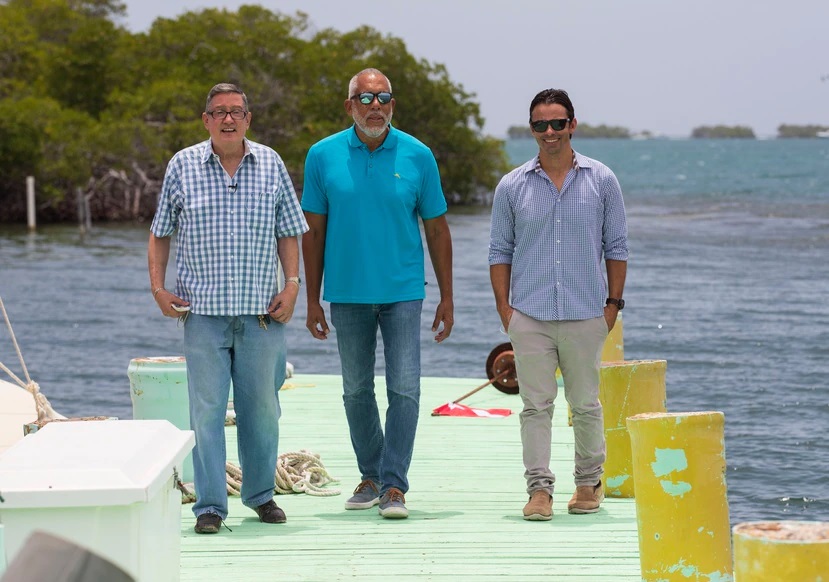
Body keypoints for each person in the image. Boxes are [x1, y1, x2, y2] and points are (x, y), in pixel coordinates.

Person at [148, 83, 308, 534]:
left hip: (262, 315)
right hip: (202, 315)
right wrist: (158, 288)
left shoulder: (271, 163)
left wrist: (292, 285)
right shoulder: (182, 165)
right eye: (219, 112)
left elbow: (289, 232)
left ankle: (260, 496)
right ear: (206, 120)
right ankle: (210, 506)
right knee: (207, 412)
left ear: (248, 119)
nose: (228, 119)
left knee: (263, 411)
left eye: (236, 111)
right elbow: (160, 232)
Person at [301, 68, 454, 519]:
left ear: (393, 105)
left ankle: (394, 485)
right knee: (355, 390)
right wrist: (311, 299)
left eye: (383, 98)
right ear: (349, 105)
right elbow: (313, 232)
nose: (375, 106)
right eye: (365, 98)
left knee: (404, 388)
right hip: (346, 293)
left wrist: (447, 296)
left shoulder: (419, 155)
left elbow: (437, 230)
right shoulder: (321, 155)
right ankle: (370, 476)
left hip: (403, 292)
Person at [488, 88, 628, 521]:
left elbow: (617, 246)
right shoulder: (511, 185)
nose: (549, 132)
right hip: (529, 315)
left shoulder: (602, 179)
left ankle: (588, 483)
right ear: (531, 129)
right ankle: (539, 490)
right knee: (536, 406)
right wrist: (505, 311)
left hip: (587, 313)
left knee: (585, 404)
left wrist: (612, 306)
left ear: (572, 125)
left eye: (557, 123)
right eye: (540, 125)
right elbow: (499, 251)